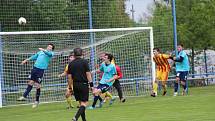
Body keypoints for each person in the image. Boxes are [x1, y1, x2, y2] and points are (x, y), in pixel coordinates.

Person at [17, 43, 55, 108]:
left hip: (41, 70)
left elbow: (48, 54)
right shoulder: (40, 52)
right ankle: (24, 96)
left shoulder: (51, 53)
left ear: (52, 49)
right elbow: (34, 56)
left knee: (37, 85)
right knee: (30, 82)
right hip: (34, 69)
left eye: (50, 47)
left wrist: (43, 50)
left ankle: (36, 101)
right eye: (48, 46)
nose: (49, 47)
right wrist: (26, 60)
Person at [67, 48, 93, 121]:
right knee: (84, 104)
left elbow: (69, 77)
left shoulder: (71, 64)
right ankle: (75, 117)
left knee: (81, 103)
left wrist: (70, 88)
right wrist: (91, 85)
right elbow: (88, 74)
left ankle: (84, 120)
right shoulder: (84, 62)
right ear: (82, 53)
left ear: (74, 54)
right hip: (83, 84)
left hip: (75, 85)